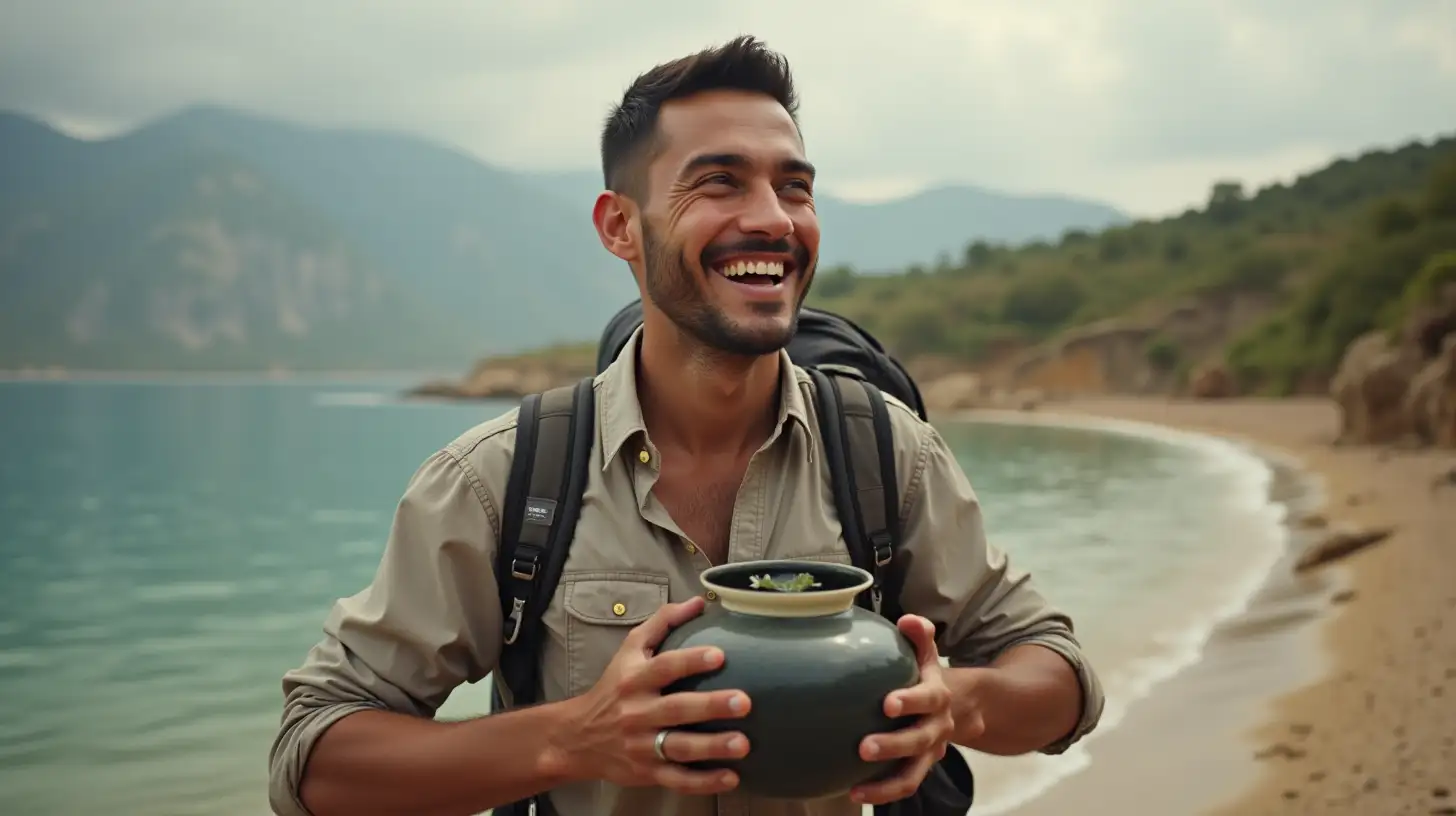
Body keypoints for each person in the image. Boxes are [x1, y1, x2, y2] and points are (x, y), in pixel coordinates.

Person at [267, 35, 1104, 816]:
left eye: (795, 186)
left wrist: (952, 704)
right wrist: (569, 739)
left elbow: (1060, 676)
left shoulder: (889, 455)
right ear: (620, 226)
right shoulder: (501, 482)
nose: (774, 218)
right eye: (720, 181)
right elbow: (312, 759)